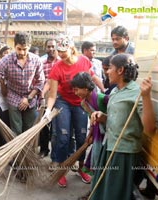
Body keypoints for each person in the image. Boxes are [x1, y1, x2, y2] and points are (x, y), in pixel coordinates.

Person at [89, 53, 156, 200]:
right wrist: (102, 117)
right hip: (109, 148)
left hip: (123, 153)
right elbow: (118, 119)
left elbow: (149, 128)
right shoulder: (114, 90)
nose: (107, 71)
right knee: (101, 190)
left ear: (120, 70)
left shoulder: (137, 92)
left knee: (114, 194)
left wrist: (146, 97)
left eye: (110, 68)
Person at [42, 35, 105, 187]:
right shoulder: (57, 67)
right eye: (59, 51)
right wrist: (48, 111)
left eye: (64, 51)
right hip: (63, 101)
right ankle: (62, 170)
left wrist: (104, 90)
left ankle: (81, 166)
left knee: (82, 136)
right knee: (63, 136)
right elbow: (52, 94)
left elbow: (93, 77)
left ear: (71, 49)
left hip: (81, 103)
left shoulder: (84, 60)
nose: (61, 54)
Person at [0, 31, 45, 135]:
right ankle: (17, 151)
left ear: (29, 47)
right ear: (14, 46)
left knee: (30, 131)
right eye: (19, 49)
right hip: (13, 97)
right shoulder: (6, 60)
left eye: (25, 49)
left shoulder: (36, 60)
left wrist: (29, 98)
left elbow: (40, 81)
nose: (21, 52)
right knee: (16, 131)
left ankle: (27, 151)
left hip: (30, 98)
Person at [70, 72, 109, 172]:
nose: (75, 93)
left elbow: (114, 115)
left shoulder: (102, 98)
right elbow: (92, 121)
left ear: (85, 88)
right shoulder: (84, 103)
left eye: (76, 89)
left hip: (109, 133)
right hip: (97, 133)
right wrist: (89, 135)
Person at [38, 38, 59, 158]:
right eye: (48, 46)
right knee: (44, 124)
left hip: (59, 96)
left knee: (56, 126)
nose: (51, 49)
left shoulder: (61, 62)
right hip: (45, 95)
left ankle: (56, 153)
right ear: (45, 48)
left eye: (53, 46)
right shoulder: (41, 62)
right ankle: (44, 149)